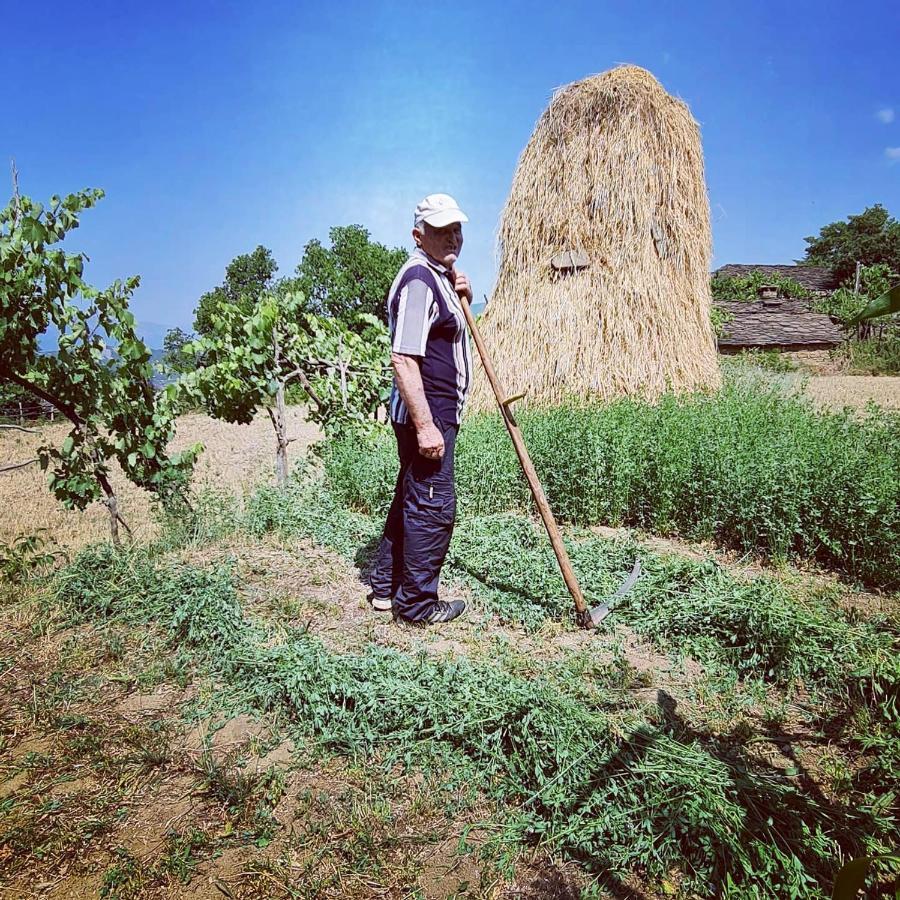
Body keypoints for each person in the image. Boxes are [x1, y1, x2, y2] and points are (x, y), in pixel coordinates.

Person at [367, 193, 474, 625]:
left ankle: (384, 588)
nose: (453, 236)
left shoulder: (437, 276)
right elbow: (404, 357)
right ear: (418, 235)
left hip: (430, 412)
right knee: (432, 503)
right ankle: (415, 605)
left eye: (457, 229)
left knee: (412, 495)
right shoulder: (418, 279)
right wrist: (427, 426)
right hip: (425, 415)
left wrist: (459, 289)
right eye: (441, 230)